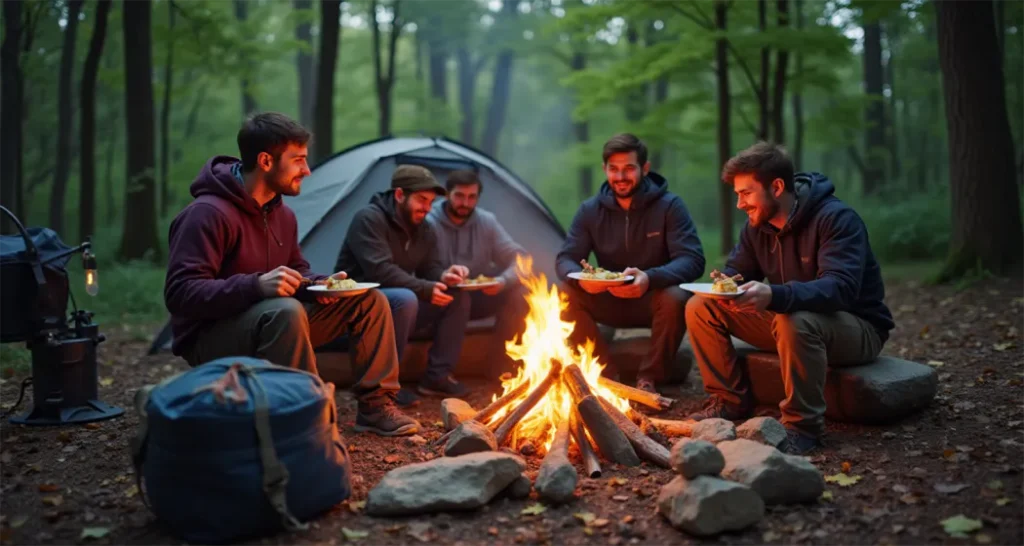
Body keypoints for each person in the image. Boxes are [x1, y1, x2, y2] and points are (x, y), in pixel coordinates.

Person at [163, 113, 420, 437]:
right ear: (266, 161)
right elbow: (180, 293)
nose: (307, 170)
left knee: (367, 299)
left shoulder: (282, 214)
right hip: (211, 337)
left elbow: (296, 269)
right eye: (298, 160)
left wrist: (318, 283)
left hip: (270, 322)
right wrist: (255, 285)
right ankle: (307, 418)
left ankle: (376, 406)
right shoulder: (207, 214)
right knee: (285, 310)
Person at [685, 141, 895, 455]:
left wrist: (776, 294)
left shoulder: (836, 219)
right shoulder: (757, 226)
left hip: (857, 327)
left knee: (793, 318)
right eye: (737, 194)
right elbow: (739, 272)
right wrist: (726, 284)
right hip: (793, 323)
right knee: (701, 306)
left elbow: (841, 288)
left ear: (777, 186)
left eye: (746, 193)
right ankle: (729, 401)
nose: (740, 203)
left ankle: (802, 428)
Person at [556, 133, 706, 395]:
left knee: (676, 296)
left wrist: (649, 277)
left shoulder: (670, 206)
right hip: (609, 300)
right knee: (565, 292)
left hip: (653, 299)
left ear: (645, 169)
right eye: (613, 169)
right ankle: (604, 375)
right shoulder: (590, 211)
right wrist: (582, 280)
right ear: (604, 170)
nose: (620, 177)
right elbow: (565, 259)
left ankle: (650, 379)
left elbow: (692, 259)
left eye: (628, 169)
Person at [334, 165, 472, 403]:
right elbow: (381, 272)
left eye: (430, 202)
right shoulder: (369, 219)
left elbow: (430, 268)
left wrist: (445, 276)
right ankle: (384, 387)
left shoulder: (424, 227)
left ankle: (437, 377)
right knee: (405, 298)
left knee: (457, 296)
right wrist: (425, 289)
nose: (427, 208)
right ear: (399, 195)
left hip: (398, 300)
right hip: (356, 306)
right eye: (421, 200)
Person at [427, 170, 530, 374]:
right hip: (440, 296)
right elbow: (422, 268)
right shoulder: (429, 223)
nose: (465, 203)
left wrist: (502, 281)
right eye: (459, 196)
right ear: (447, 194)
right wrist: (443, 276)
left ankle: (503, 368)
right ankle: (439, 376)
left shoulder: (486, 222)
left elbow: (521, 258)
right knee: (458, 298)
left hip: (480, 294)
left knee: (521, 294)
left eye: (472, 197)